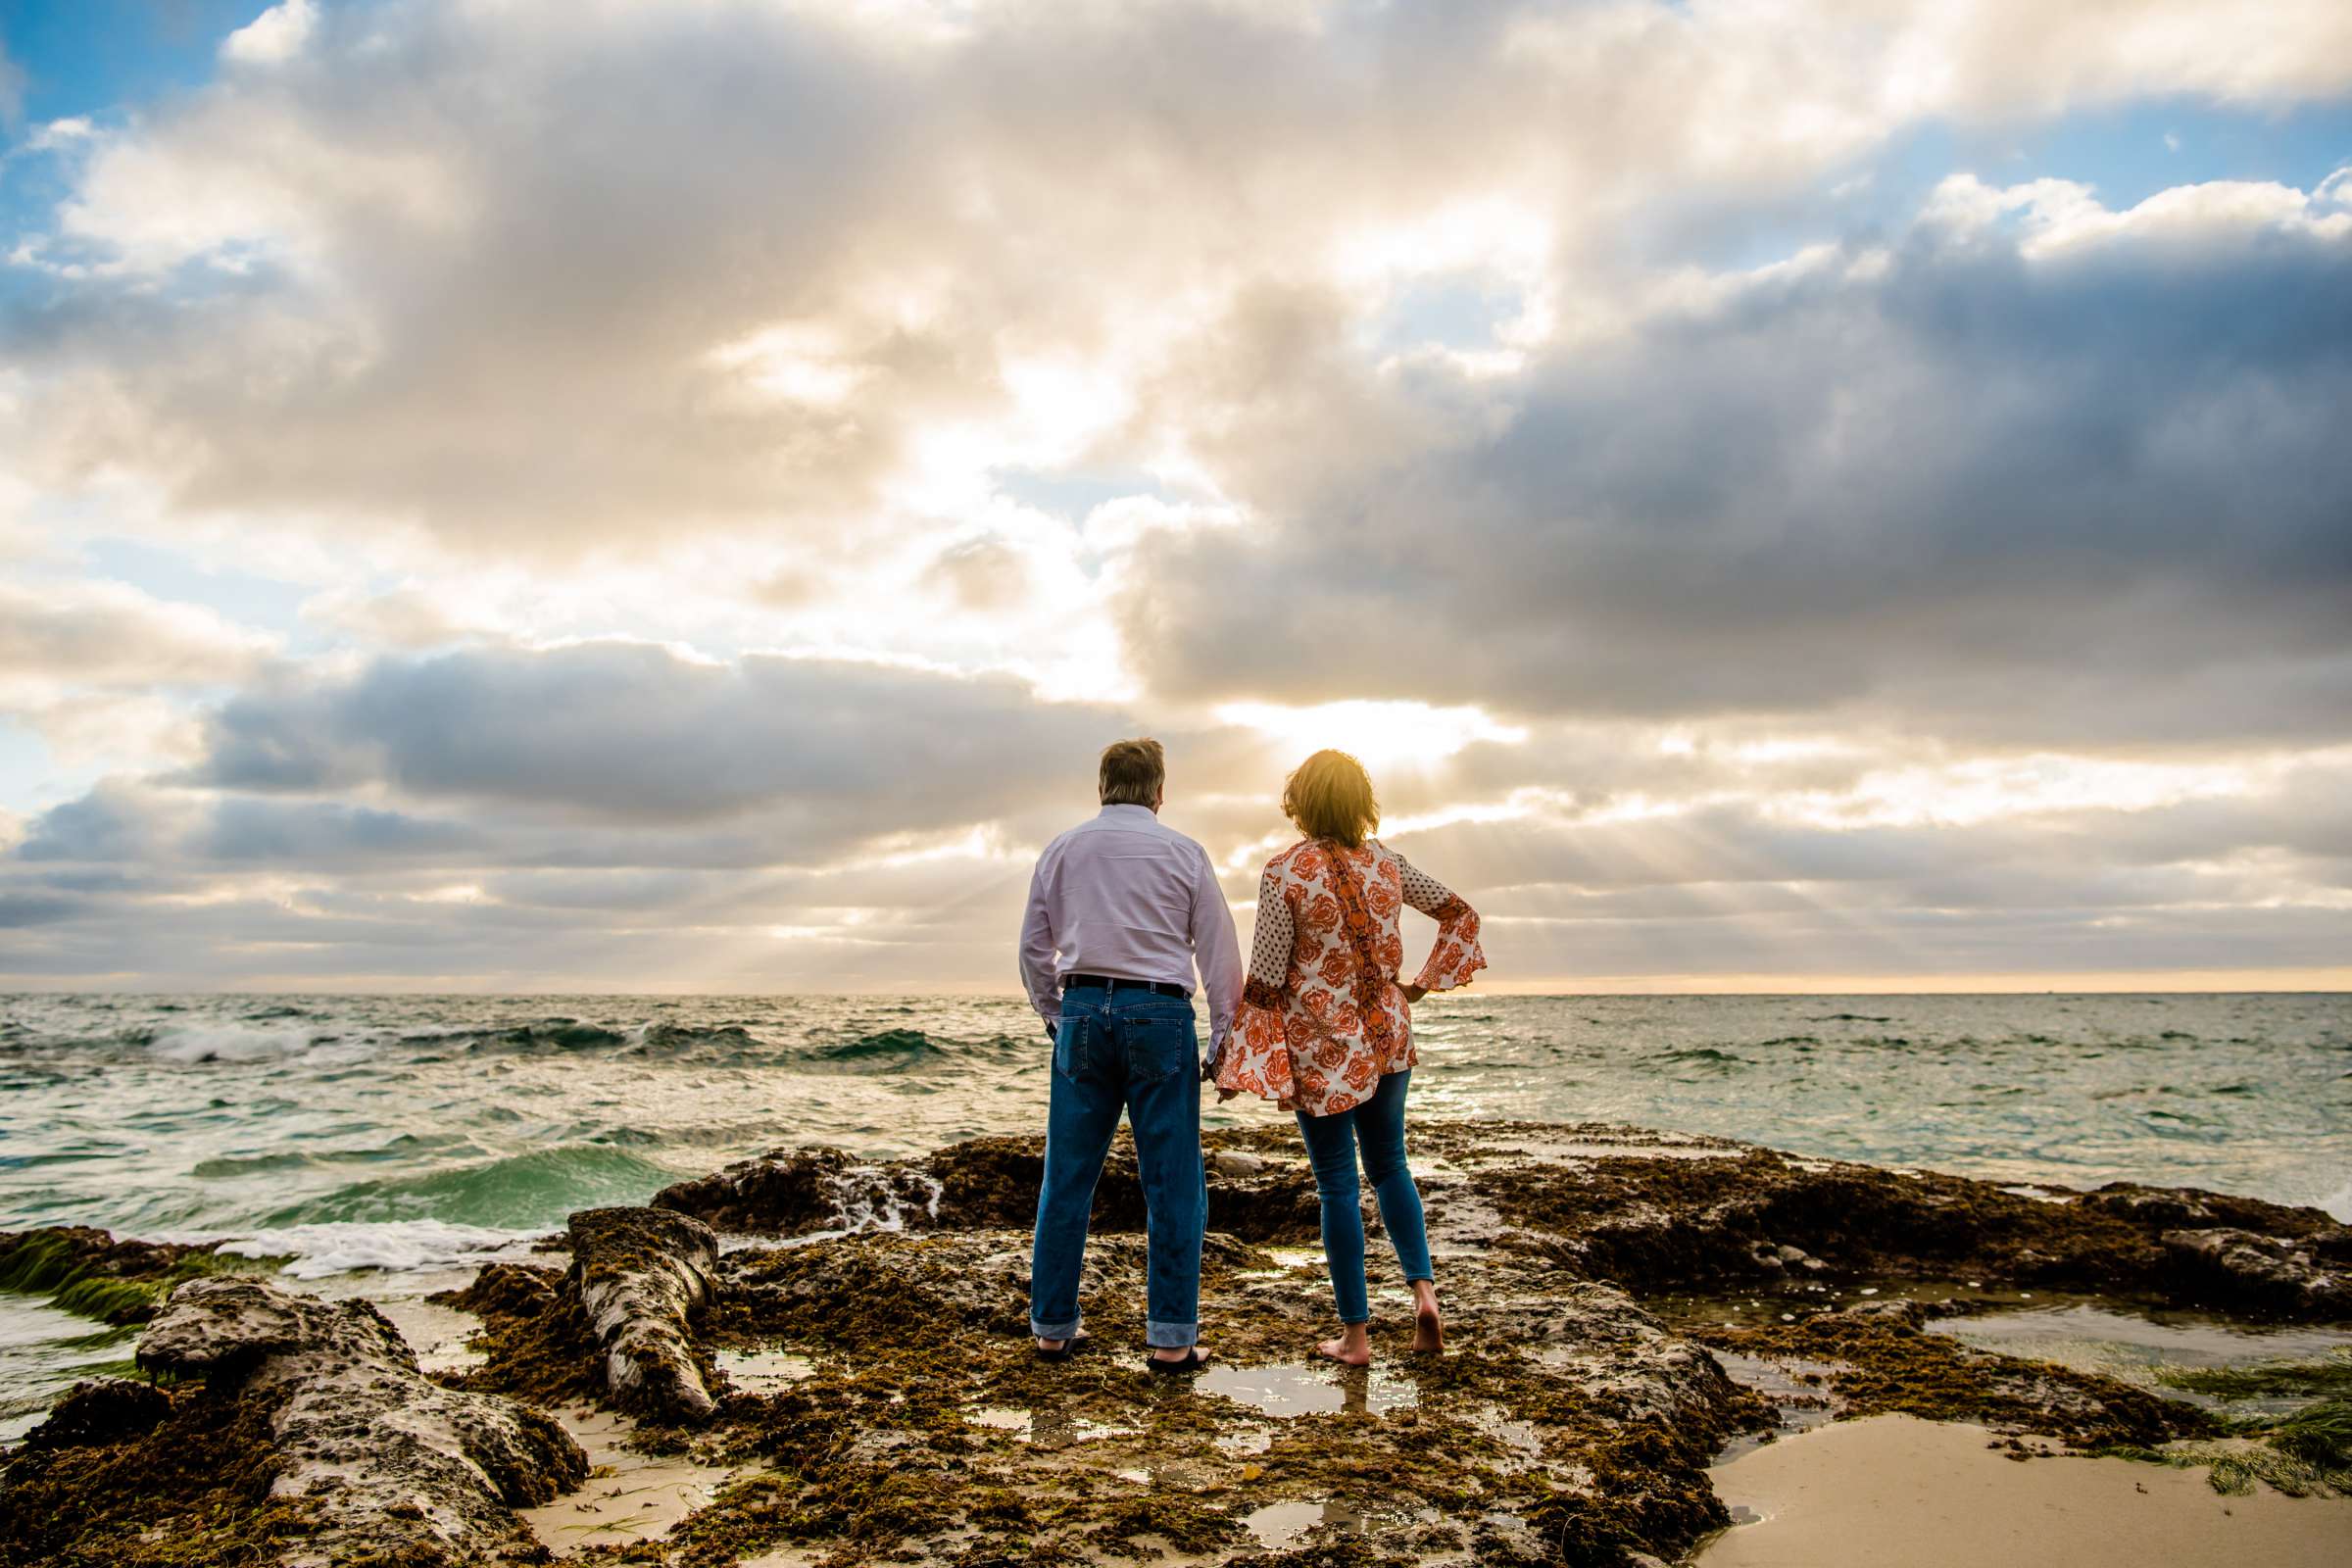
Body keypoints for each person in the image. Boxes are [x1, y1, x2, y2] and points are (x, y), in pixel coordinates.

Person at [1215, 749, 1485, 1365]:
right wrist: (1419, 983)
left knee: (1337, 1184)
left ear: (1300, 805)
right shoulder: (1388, 863)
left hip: (1324, 1046)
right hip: (1388, 1032)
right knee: (1391, 1165)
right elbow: (1458, 912)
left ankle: (1356, 1338)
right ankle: (1425, 1296)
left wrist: (1239, 1060)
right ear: (1362, 804)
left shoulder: (1285, 871)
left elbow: (1264, 979)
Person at [1019, 738, 1242, 1373]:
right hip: (1161, 1015)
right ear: (1159, 791)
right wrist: (1223, 1039)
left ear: (1101, 787)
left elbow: (1035, 950)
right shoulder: (1184, 853)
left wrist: (1056, 1018)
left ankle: (1053, 1329)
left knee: (1066, 1177)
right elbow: (1219, 955)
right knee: (1171, 1181)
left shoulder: (1062, 851)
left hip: (1085, 1011)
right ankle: (1172, 1340)